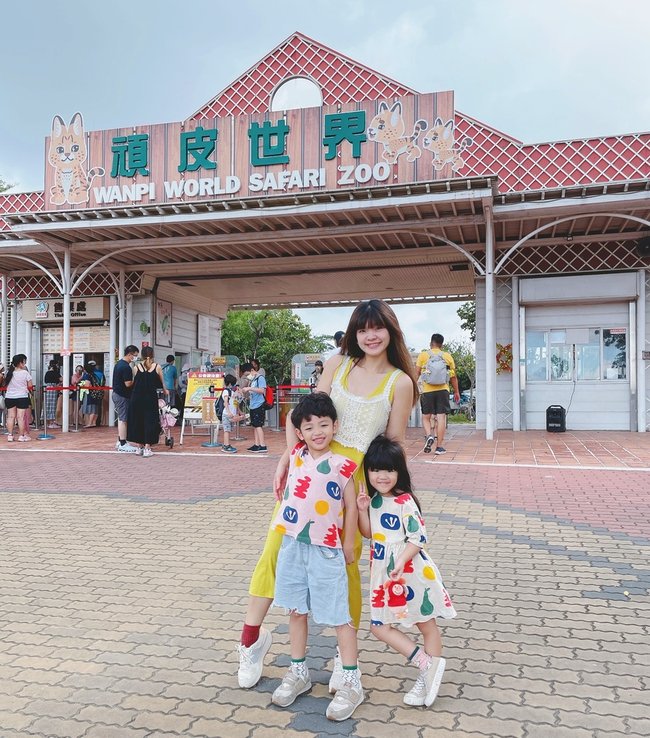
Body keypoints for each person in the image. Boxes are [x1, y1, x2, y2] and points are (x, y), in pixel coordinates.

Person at [236, 298, 418, 692]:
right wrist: (288, 454)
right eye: (363, 328)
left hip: (353, 480)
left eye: (378, 327)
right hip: (308, 473)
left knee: (344, 566)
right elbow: (303, 414)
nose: (371, 335)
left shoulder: (400, 382)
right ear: (354, 332)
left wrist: (394, 502)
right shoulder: (338, 364)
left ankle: (343, 660)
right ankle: (250, 640)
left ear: (391, 331)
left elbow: (394, 444)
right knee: (276, 551)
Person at [269, 393, 362, 721]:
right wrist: (300, 418)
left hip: (327, 549)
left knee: (340, 615)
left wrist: (348, 543)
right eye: (309, 427)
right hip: (293, 546)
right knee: (296, 610)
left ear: (335, 426)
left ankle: (351, 680)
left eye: (324, 424)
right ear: (300, 433)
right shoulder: (295, 454)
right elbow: (291, 416)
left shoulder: (342, 465)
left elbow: (351, 507)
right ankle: (299, 672)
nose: (318, 431)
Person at [357, 435, 456, 708]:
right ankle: (426, 665)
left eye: (388, 469)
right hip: (383, 576)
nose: (382, 476)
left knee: (426, 625)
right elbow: (369, 534)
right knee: (379, 627)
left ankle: (428, 676)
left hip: (411, 573)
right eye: (375, 470)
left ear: (399, 471)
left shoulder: (404, 501)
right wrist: (363, 511)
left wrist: (401, 560)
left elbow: (418, 537)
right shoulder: (374, 501)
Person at [416, 334, 460, 455]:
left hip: (427, 391)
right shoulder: (447, 356)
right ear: (442, 344)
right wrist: (456, 392)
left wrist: (412, 388)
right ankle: (439, 447)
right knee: (441, 418)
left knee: (426, 417)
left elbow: (416, 373)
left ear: (431, 343)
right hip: (443, 390)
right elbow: (453, 376)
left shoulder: (423, 355)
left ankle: (429, 435)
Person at [126, 346, 168, 457]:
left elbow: (135, 383)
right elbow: (162, 383)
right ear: (153, 355)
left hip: (137, 398)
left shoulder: (136, 367)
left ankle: (139, 447)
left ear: (142, 355)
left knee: (138, 420)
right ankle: (147, 448)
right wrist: (165, 391)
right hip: (150, 398)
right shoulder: (157, 367)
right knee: (150, 421)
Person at [112, 345, 139, 453]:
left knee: (121, 418)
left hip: (117, 394)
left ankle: (120, 440)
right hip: (122, 395)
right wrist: (136, 380)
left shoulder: (119, 364)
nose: (135, 358)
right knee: (123, 419)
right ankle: (123, 443)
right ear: (129, 354)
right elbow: (128, 384)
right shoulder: (126, 367)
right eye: (135, 355)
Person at [3, 354, 34, 442]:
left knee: (10, 417)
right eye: (24, 361)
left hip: (9, 397)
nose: (25, 363)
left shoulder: (9, 373)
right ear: (20, 362)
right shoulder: (25, 373)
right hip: (22, 397)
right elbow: (30, 385)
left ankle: (10, 435)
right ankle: (21, 436)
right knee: (20, 417)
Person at [241, 363, 267, 453]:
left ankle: (263, 445)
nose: (247, 376)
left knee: (258, 425)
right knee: (255, 425)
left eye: (247, 374)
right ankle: (257, 444)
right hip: (253, 404)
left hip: (259, 405)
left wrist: (249, 389)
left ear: (252, 370)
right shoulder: (253, 380)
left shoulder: (260, 378)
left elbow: (262, 390)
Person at [220, 373, 241, 454]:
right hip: (226, 414)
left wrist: (238, 411)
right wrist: (229, 412)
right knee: (227, 430)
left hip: (230, 414)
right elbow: (225, 402)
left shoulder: (231, 392)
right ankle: (226, 445)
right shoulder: (226, 391)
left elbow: (235, 403)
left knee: (228, 430)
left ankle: (226, 444)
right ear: (230, 383)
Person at [81, 360, 105, 428]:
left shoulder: (87, 375)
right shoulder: (100, 373)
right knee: (96, 408)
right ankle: (94, 422)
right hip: (99, 392)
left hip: (91, 393)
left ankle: (90, 423)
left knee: (91, 408)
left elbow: (87, 385)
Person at [43, 360, 62, 428]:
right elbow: (62, 379)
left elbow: (45, 381)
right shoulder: (55, 372)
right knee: (52, 405)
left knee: (47, 404)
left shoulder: (47, 373)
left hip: (47, 389)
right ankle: (51, 422)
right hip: (53, 388)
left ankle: (47, 422)